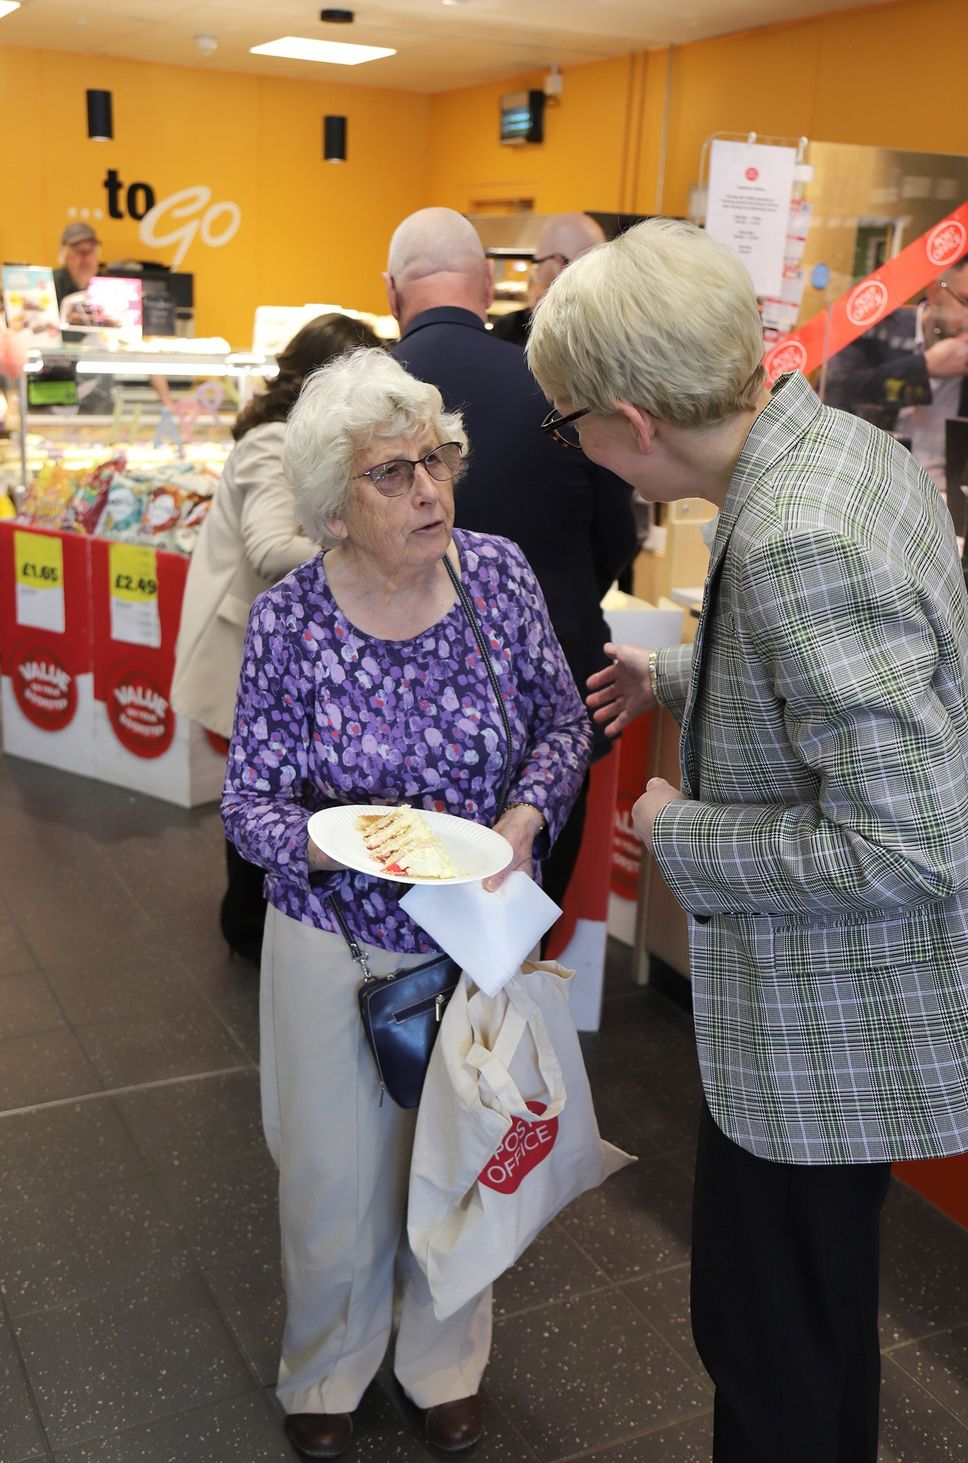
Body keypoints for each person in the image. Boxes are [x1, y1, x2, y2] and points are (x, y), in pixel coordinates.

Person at [526, 217, 968, 1463]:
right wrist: (674, 674)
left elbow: (903, 844)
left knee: (768, 1347)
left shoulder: (793, 534)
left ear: (631, 418)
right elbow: (855, 681)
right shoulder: (823, 451)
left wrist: (680, 828)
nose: (575, 450)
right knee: (809, 1325)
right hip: (826, 1021)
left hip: (818, 1034)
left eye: (567, 423)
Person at [221, 346, 591, 1459]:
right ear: (335, 505)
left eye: (436, 460)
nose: (429, 488)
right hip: (332, 938)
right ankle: (328, 1369)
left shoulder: (497, 577)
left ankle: (444, 1360)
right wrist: (348, 846)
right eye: (392, 472)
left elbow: (562, 726)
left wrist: (523, 819)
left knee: (470, 1154)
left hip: (470, 939)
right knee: (332, 1182)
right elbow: (249, 803)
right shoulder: (293, 620)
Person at [386, 206, 637, 910]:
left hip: (394, 695)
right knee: (526, 918)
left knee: (401, 915)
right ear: (491, 282)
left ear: (390, 290)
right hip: (552, 692)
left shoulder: (359, 395)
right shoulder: (561, 384)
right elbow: (617, 537)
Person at [171, 312, 379, 965]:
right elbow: (267, 548)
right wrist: (362, 545)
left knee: (266, 785)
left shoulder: (305, 441)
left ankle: (257, 922)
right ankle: (249, 928)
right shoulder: (272, 441)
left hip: (275, 650)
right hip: (246, 648)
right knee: (257, 794)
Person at [824, 245, 968, 495]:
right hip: (868, 484)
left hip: (945, 497)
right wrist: (924, 367)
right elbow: (835, 390)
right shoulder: (881, 330)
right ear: (934, 292)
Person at [492, 210, 606, 347]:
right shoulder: (610, 332)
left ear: (558, 264)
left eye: (538, 262)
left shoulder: (508, 331)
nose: (535, 273)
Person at [53, 221, 101, 307]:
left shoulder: (108, 287)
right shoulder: (50, 286)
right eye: (78, 250)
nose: (86, 256)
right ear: (64, 254)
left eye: (91, 250)